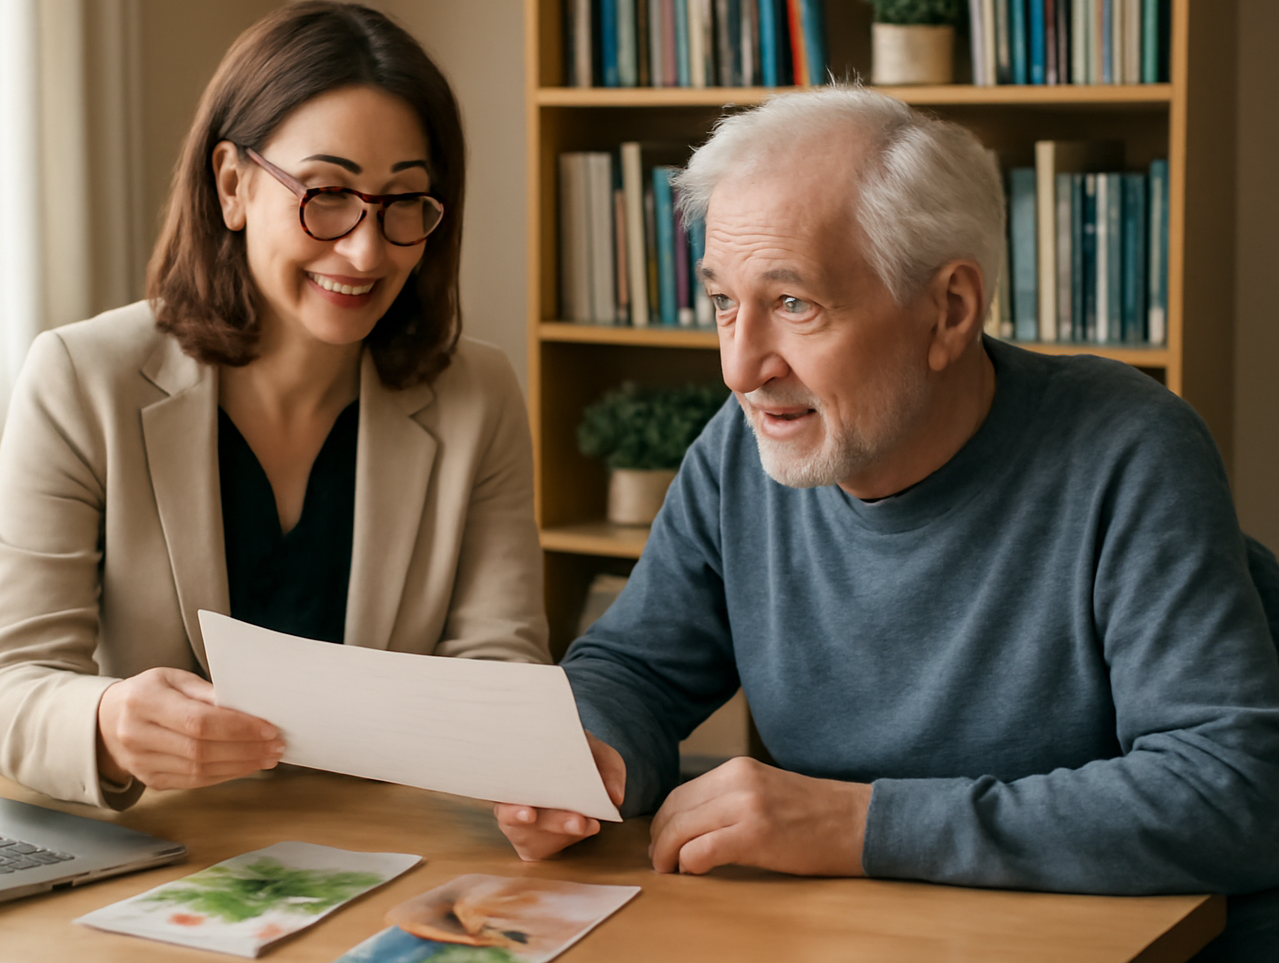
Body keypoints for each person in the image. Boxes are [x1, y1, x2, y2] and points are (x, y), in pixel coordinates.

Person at [493, 86, 1279, 961]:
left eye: (793, 304)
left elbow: (1231, 789)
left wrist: (863, 824)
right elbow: (637, 666)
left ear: (948, 311)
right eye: (723, 301)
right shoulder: (739, 453)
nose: (740, 365)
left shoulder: (1127, 449)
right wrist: (591, 753)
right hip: (879, 936)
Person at [0, 1, 549, 811]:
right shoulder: (80, 377)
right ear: (233, 185)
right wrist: (106, 719)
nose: (366, 248)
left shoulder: (477, 394)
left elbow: (499, 666)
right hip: (170, 859)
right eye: (326, 193)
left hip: (392, 844)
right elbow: (2, 691)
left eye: (404, 201)